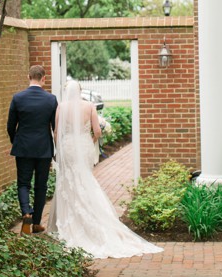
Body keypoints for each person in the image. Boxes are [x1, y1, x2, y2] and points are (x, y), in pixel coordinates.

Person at [47, 79, 162, 258]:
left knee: (68, 180)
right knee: (85, 178)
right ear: (80, 91)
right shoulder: (89, 105)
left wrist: (60, 147)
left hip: (67, 146)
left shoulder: (61, 106)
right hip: (83, 145)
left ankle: (67, 222)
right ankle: (93, 218)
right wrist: (88, 142)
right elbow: (97, 131)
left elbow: (56, 133)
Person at [7, 64, 58, 234]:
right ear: (44, 79)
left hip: (23, 148)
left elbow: (10, 126)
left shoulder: (17, 98)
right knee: (41, 186)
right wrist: (55, 148)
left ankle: (26, 213)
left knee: (23, 183)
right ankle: (36, 223)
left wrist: (17, 142)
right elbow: (54, 127)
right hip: (44, 149)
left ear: (28, 77)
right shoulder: (51, 100)